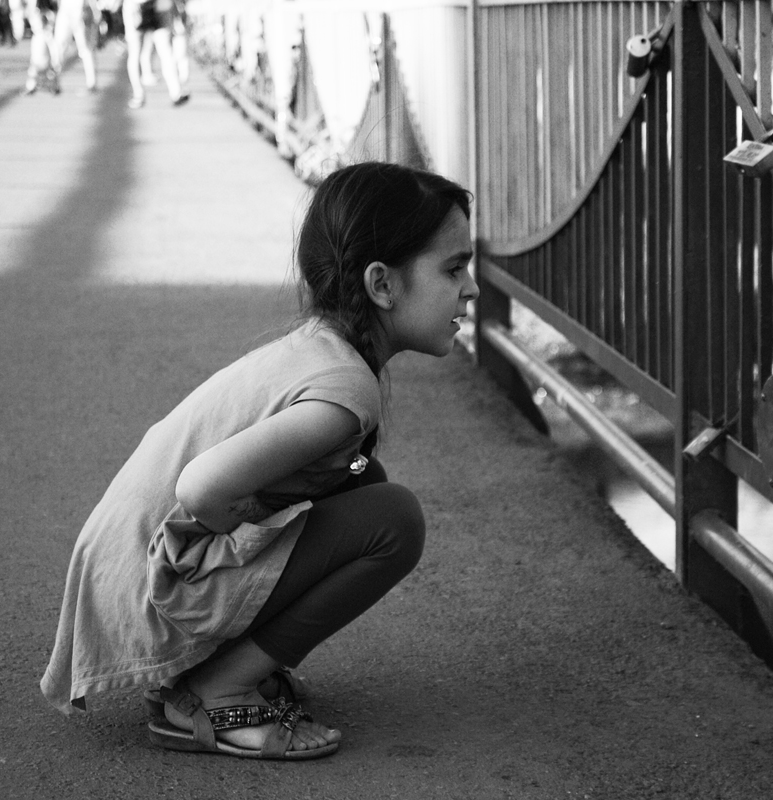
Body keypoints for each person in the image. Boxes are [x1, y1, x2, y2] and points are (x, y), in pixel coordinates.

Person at [41, 161, 479, 761]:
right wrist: (250, 528)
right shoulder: (345, 392)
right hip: (144, 588)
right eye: (454, 268)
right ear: (382, 285)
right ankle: (217, 690)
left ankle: (219, 665)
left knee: (362, 484)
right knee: (394, 520)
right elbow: (199, 487)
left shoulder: (321, 348)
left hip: (128, 572)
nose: (471, 288)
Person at [121, 0, 185, 107]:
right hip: (158, 7)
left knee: (135, 53)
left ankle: (138, 95)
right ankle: (176, 92)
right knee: (165, 52)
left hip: (136, 7)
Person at [50, 0, 96, 93]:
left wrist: (93, 9)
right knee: (58, 47)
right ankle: (55, 81)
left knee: (85, 49)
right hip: (65, 10)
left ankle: (91, 84)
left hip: (80, 10)